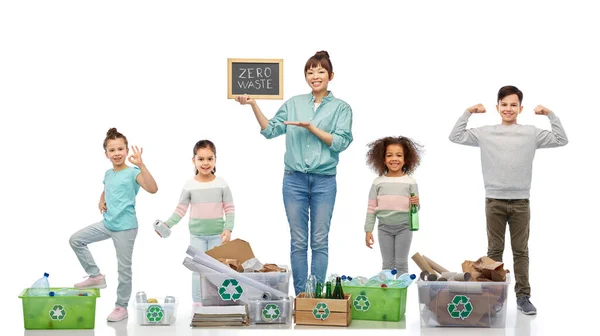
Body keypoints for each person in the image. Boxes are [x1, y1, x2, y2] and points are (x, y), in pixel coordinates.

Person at [235, 51, 353, 295]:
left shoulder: (342, 108)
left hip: (324, 181)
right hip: (294, 180)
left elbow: (341, 142)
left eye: (320, 71)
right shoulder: (294, 103)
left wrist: (312, 128)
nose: (315, 76)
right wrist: (253, 105)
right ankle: (301, 296)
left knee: (319, 241)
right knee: (298, 241)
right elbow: (270, 131)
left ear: (331, 75)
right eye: (310, 72)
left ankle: (316, 296)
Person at [449, 85, 568, 315]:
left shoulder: (531, 133)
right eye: (504, 104)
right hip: (494, 200)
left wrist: (550, 115)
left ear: (520, 108)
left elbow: (561, 139)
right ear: (497, 107)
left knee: (521, 251)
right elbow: (455, 136)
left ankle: (523, 297)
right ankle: (494, 299)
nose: (508, 108)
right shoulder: (486, 132)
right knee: (494, 252)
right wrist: (468, 111)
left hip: (521, 201)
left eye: (513, 105)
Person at [69, 128, 158, 322]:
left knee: (124, 269)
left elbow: (153, 189)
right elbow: (106, 189)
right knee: (76, 240)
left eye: (120, 149)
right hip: (108, 223)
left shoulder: (133, 172)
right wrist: (101, 200)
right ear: (106, 154)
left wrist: (142, 165)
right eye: (112, 150)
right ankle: (95, 276)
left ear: (126, 151)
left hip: (126, 228)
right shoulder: (108, 173)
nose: (116, 153)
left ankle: (121, 307)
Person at [160, 140, 234, 303]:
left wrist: (228, 229)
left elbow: (229, 208)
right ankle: (197, 301)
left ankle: (215, 300)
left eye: (209, 158)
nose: (205, 163)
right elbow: (181, 209)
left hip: (217, 235)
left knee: (216, 269)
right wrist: (167, 225)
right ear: (194, 160)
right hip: (197, 235)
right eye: (201, 159)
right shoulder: (190, 185)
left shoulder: (222, 184)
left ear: (215, 160)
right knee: (198, 270)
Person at [364, 136, 422, 274]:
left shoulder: (411, 182)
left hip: (404, 227)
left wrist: (417, 204)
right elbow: (371, 208)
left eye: (399, 155)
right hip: (384, 227)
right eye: (389, 155)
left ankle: (401, 295)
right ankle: (387, 295)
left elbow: (415, 208)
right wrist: (368, 230)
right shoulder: (378, 182)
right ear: (383, 159)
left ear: (405, 159)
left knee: (401, 263)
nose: (394, 159)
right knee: (387, 265)